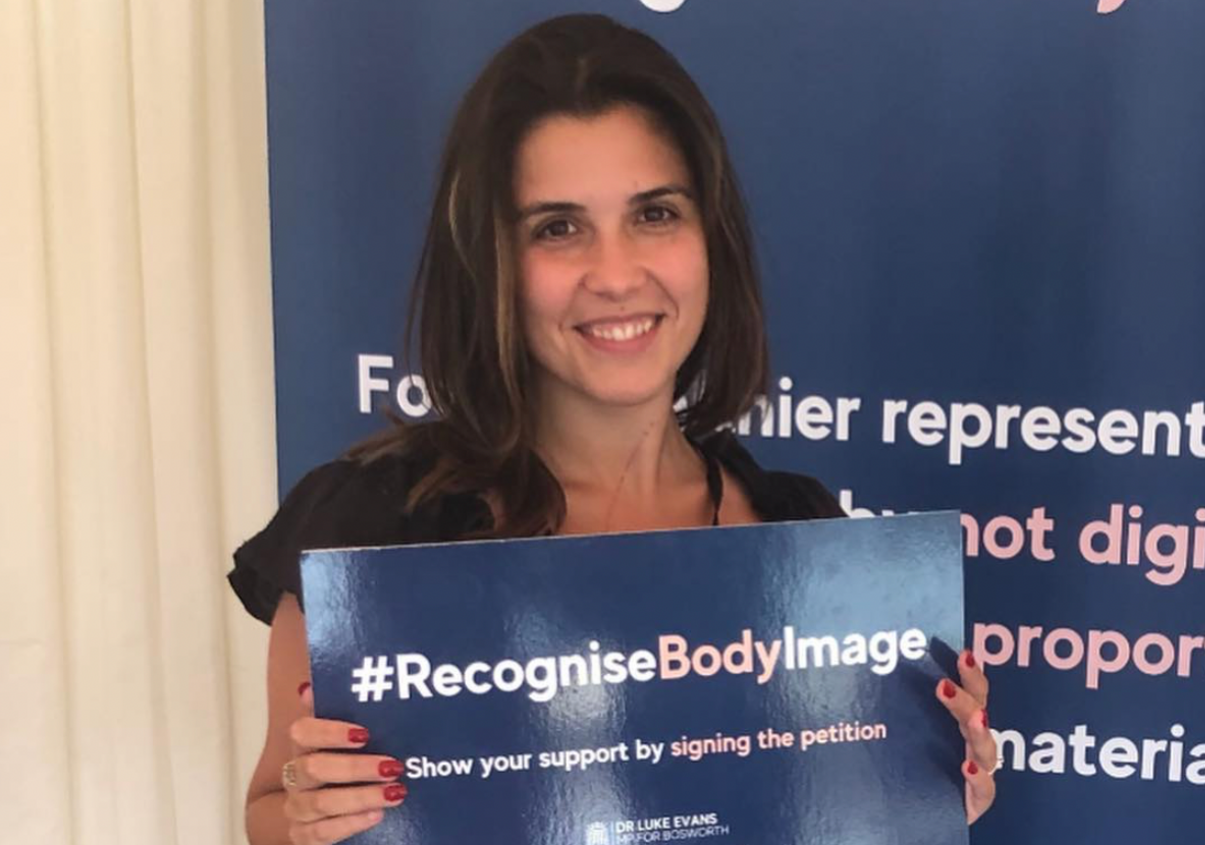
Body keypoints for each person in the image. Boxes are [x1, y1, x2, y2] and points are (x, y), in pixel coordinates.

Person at [229, 13, 996, 845]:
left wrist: (922, 787)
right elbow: (270, 811)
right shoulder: (372, 527)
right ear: (491, 261)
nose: (618, 273)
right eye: (557, 227)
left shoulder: (801, 536)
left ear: (711, 237)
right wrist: (308, 817)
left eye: (655, 214)